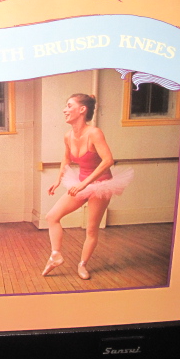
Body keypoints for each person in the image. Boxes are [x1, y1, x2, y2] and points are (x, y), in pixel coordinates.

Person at [42, 94, 133, 279]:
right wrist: (58, 180)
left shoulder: (94, 133)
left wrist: (84, 184)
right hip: (81, 183)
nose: (65, 110)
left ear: (82, 109)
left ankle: (82, 265)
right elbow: (66, 158)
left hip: (101, 185)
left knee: (91, 229)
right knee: (52, 216)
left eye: (69, 106)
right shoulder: (68, 136)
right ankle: (55, 255)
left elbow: (108, 160)